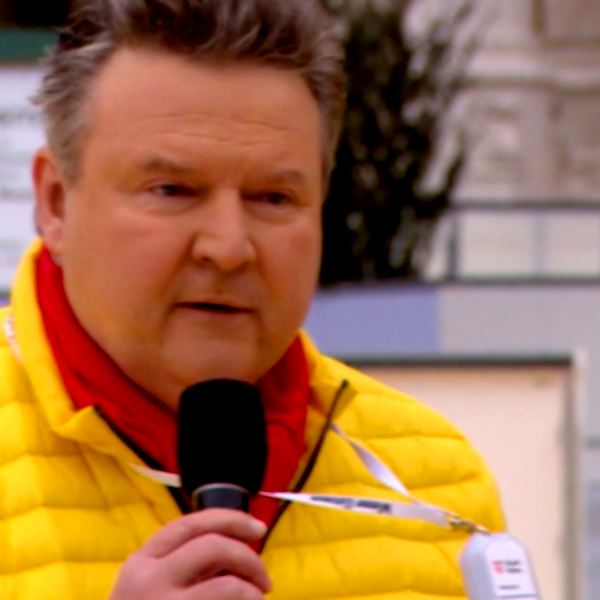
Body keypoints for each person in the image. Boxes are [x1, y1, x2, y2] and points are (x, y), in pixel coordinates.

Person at [0, 0, 504, 598]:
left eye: (273, 198)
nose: (229, 247)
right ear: (56, 202)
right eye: (172, 190)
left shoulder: (435, 484)